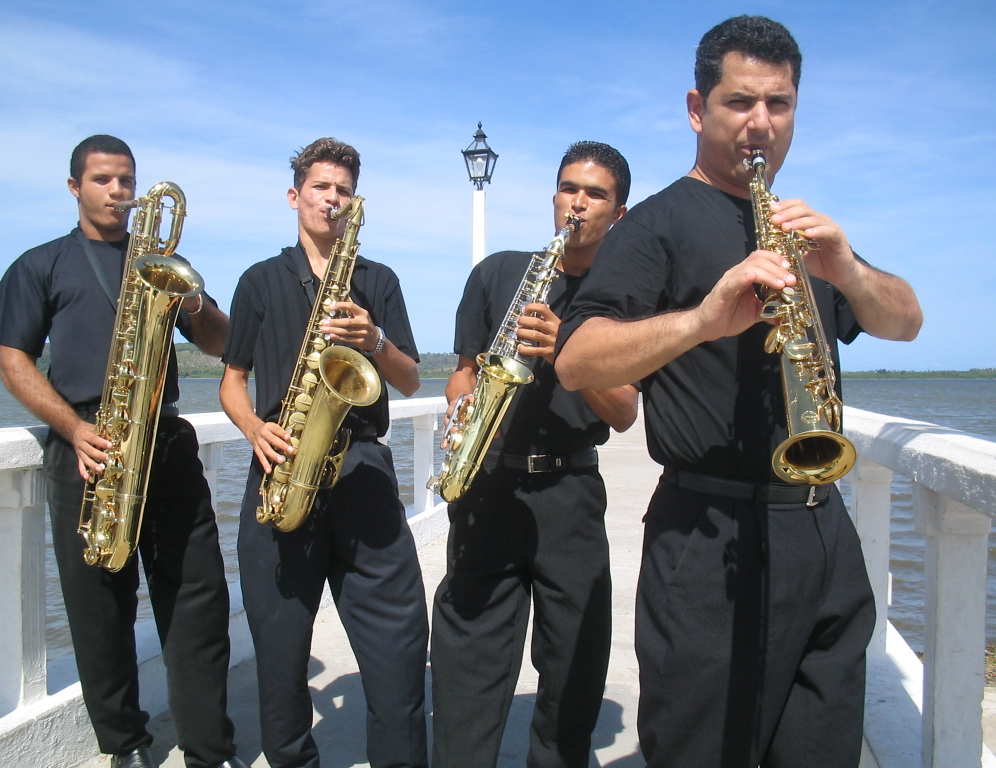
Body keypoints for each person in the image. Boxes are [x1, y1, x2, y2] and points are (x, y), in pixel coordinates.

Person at [555, 16, 923, 768]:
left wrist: (847, 269)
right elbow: (576, 359)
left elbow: (906, 321)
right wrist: (700, 321)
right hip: (708, 537)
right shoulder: (653, 225)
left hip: (822, 534)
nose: (761, 123)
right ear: (698, 109)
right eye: (740, 102)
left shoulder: (800, 229)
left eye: (779, 104)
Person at [0, 135, 246, 768]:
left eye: (126, 180)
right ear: (75, 187)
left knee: (198, 600)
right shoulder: (39, 264)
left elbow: (220, 342)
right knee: (99, 610)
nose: (118, 192)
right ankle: (123, 746)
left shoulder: (159, 262)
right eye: (102, 180)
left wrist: (195, 298)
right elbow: (12, 362)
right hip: (89, 445)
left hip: (166, 441)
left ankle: (210, 751)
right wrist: (72, 429)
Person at [219, 137, 428, 768]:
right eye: (320, 188)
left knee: (397, 650)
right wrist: (255, 428)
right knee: (280, 664)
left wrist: (376, 338)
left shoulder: (378, 281)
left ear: (354, 202)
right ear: (296, 196)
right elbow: (232, 380)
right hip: (282, 466)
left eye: (342, 190)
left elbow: (413, 379)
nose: (331, 200)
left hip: (361, 467)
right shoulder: (258, 281)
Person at [430, 141, 640, 768]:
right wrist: (461, 411)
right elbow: (462, 372)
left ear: (619, 212)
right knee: (468, 656)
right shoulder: (497, 273)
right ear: (554, 195)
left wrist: (566, 348)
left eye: (595, 193)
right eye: (569, 188)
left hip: (569, 493)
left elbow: (625, 412)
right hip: (489, 484)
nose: (578, 202)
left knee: (574, 657)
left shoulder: (625, 298)